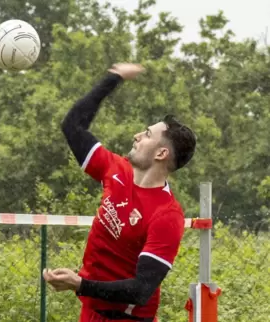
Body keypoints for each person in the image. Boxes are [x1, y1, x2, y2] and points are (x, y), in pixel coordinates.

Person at [43, 63, 197, 322]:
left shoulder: (167, 215)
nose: (137, 136)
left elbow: (140, 291)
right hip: (90, 313)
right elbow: (73, 126)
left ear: (161, 154)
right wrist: (113, 78)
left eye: (147, 134)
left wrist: (80, 284)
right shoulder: (116, 169)